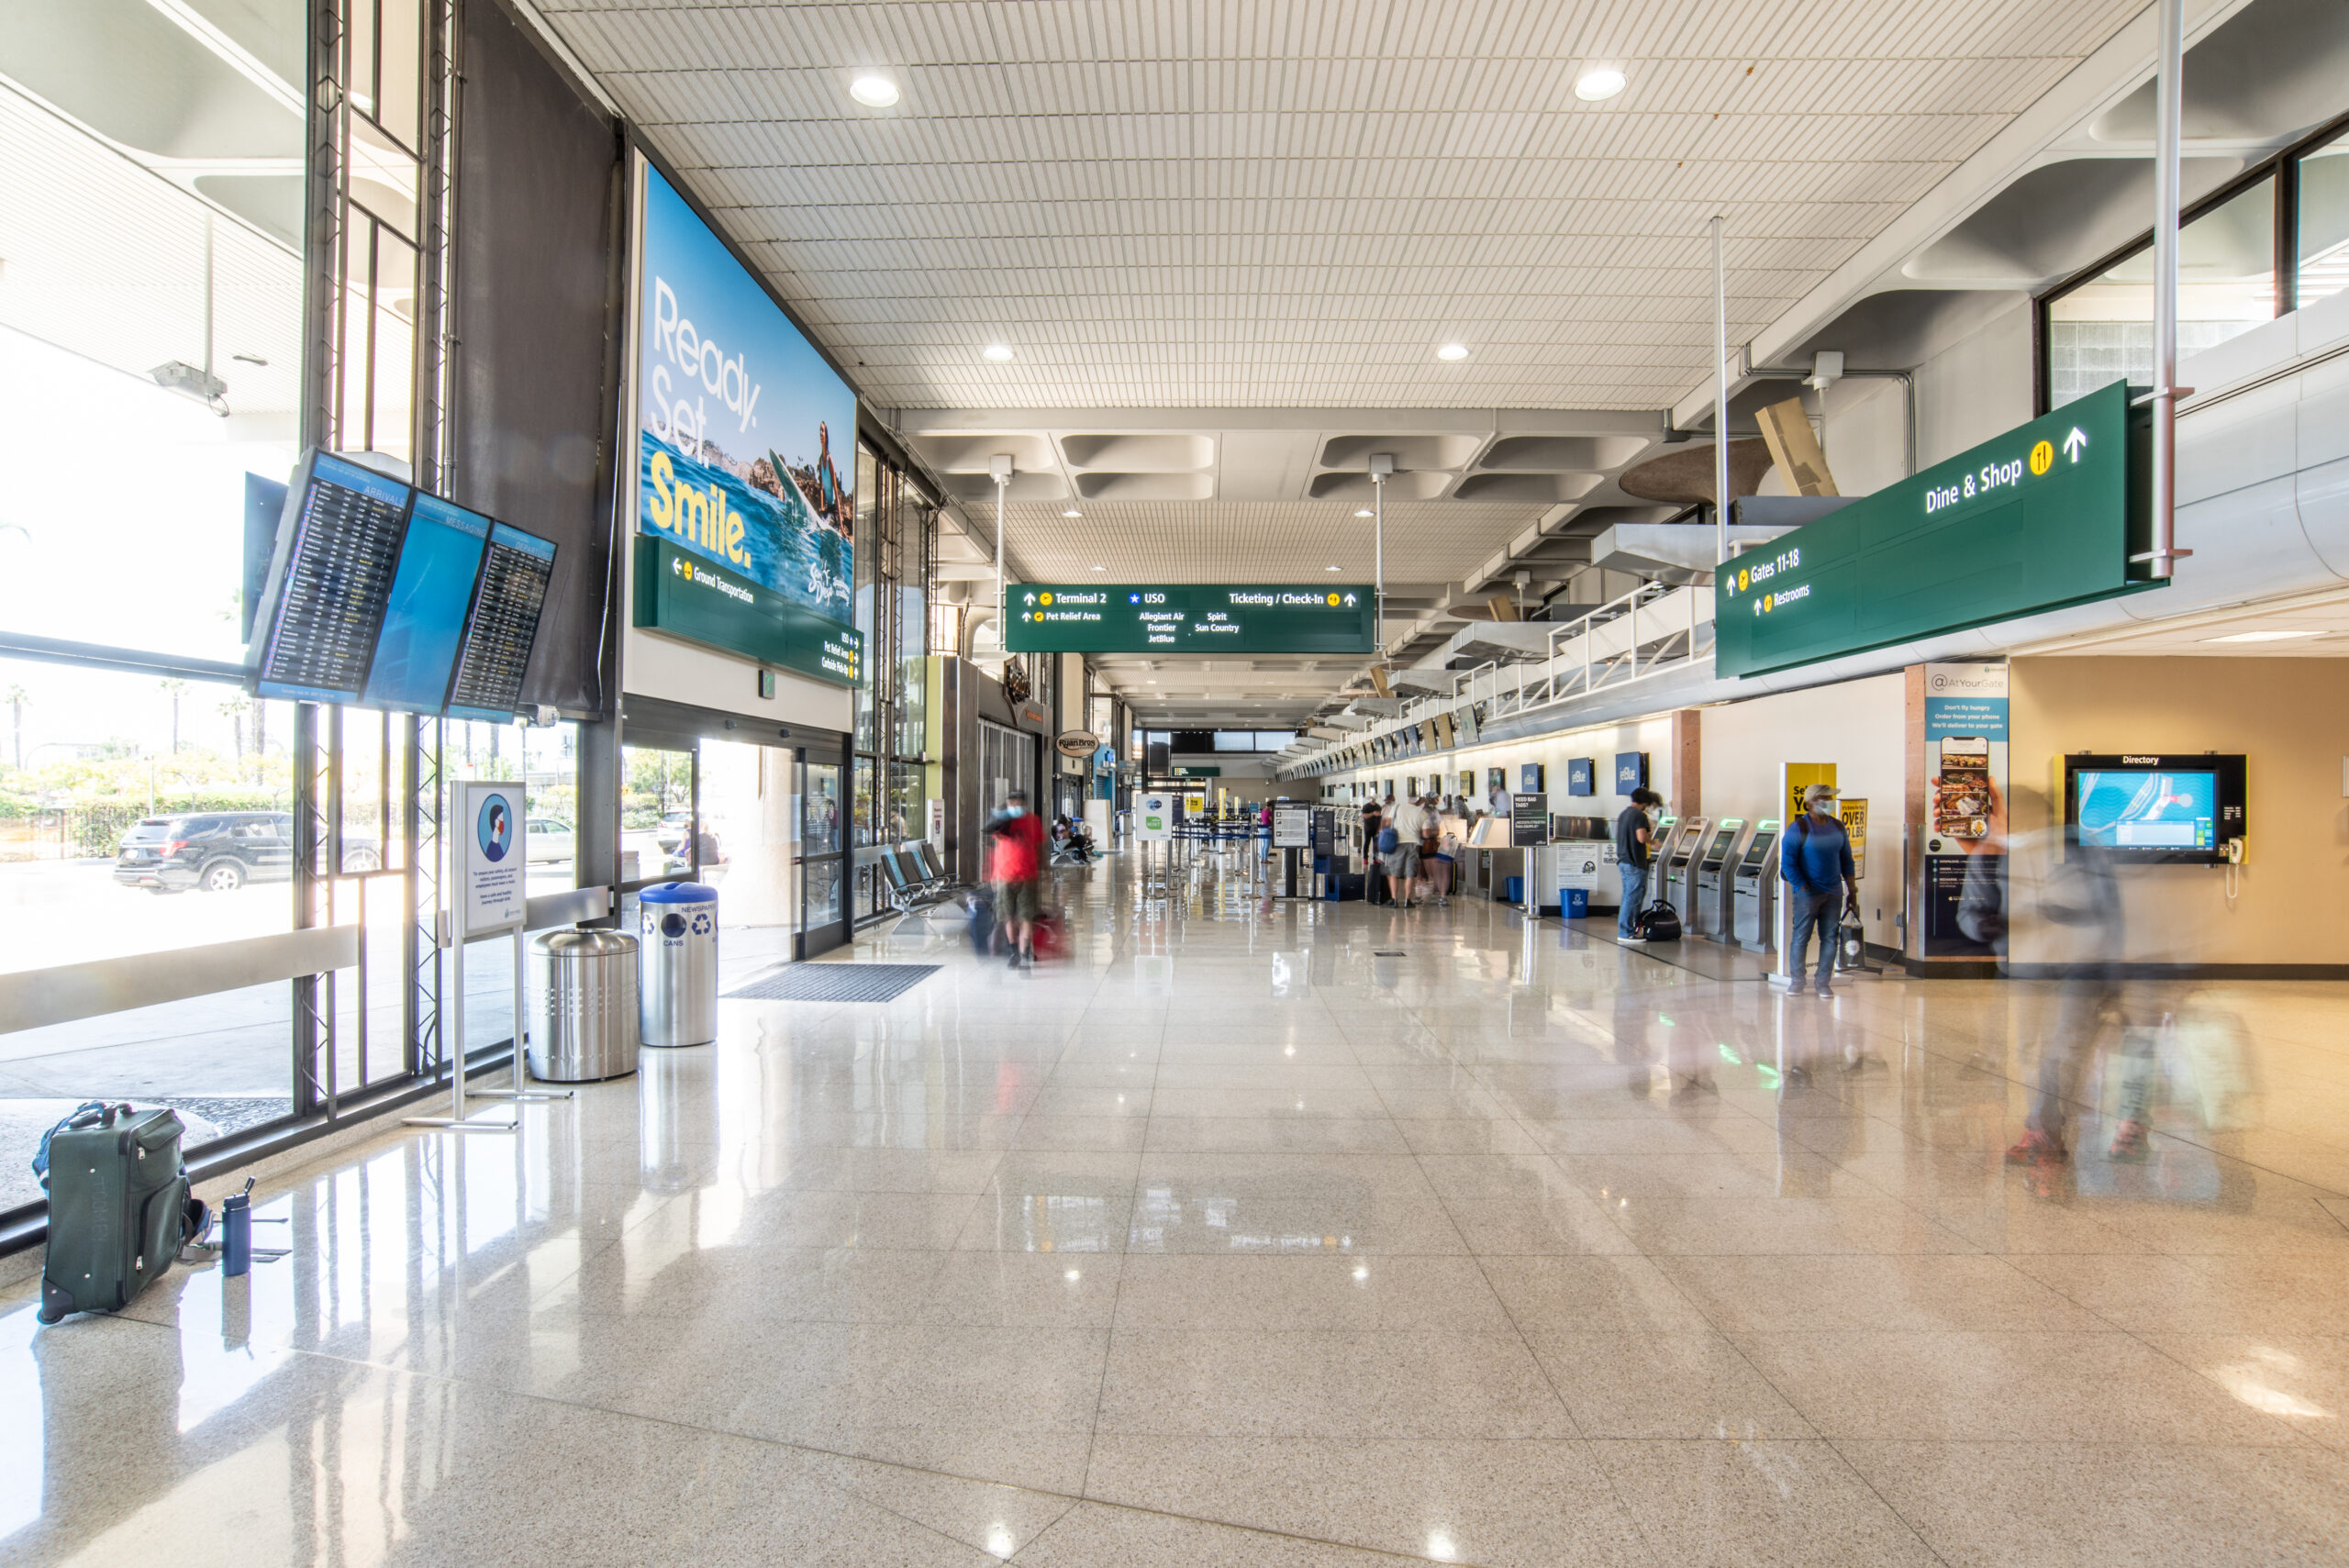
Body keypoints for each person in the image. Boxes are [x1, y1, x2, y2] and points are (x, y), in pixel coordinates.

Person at [1781, 784, 1858, 997]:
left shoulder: (1838, 827)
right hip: (1807, 892)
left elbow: (1846, 860)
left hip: (1833, 892)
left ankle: (1823, 982)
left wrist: (1852, 891)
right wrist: (1803, 886)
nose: (1829, 802)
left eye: (1830, 798)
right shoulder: (1799, 828)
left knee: (1830, 937)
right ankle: (1797, 980)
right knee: (1801, 936)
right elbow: (1788, 862)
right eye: (1824, 798)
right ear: (1810, 803)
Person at [985, 789, 1046, 967]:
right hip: (1005, 876)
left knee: (1026, 917)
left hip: (1028, 877)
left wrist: (1044, 871)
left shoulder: (1033, 820)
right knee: (1008, 916)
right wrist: (994, 874)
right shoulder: (1002, 820)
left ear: (1024, 804)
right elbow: (996, 847)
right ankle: (1014, 952)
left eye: (1018, 803)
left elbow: (1039, 847)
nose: (1015, 806)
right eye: (1012, 803)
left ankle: (1025, 952)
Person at [1614, 787, 1659, 941]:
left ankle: (1627, 930)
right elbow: (1641, 837)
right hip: (1635, 862)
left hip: (1623, 861)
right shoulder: (1639, 815)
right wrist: (1652, 842)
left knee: (1628, 896)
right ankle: (1626, 932)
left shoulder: (1624, 814)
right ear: (1645, 802)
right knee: (1632, 897)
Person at [1386, 791, 1428, 906]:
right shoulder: (1422, 813)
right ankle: (1407, 900)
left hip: (1398, 842)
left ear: (1408, 799)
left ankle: (1394, 900)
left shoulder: (1397, 807)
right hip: (1414, 844)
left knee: (1394, 872)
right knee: (1410, 873)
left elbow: (1387, 822)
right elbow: (1426, 834)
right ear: (1418, 801)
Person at [1360, 795, 1386, 905]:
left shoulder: (1379, 806)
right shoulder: (1366, 807)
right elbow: (1363, 816)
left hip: (1376, 828)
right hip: (1368, 828)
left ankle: (1376, 859)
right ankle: (1365, 859)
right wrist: (1372, 814)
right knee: (1367, 843)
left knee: (1376, 845)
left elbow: (1381, 817)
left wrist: (1380, 828)